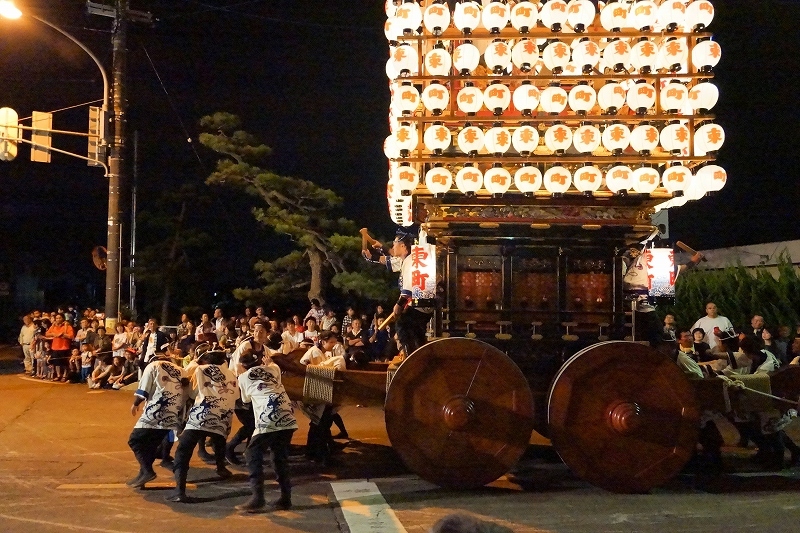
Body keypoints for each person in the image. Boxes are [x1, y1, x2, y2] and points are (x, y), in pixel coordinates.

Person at [166, 350, 237, 503]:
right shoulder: (231, 373)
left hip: (202, 415)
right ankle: (221, 468)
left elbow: (192, 394)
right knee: (219, 440)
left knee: (183, 451)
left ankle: (180, 491)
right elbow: (236, 395)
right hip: (224, 416)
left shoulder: (201, 370)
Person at [235, 350, 298, 512]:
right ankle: (286, 498)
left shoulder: (243, 377)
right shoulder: (273, 369)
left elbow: (246, 399)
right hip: (287, 416)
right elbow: (273, 364)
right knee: (279, 457)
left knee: (252, 453)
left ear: (243, 365)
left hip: (268, 416)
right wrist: (268, 363)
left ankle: (258, 498)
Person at [127, 353, 187, 489]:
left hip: (155, 410)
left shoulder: (154, 366)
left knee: (135, 440)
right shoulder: (181, 370)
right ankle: (142, 474)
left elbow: (144, 388)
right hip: (172, 414)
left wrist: (136, 403)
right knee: (151, 444)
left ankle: (147, 471)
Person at [225, 322, 268, 465]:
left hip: (254, 390)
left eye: (261, 331)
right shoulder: (246, 346)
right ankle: (230, 448)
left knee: (256, 421)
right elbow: (238, 366)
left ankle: (251, 451)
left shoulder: (266, 350)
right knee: (251, 423)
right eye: (256, 331)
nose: (258, 334)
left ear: (267, 334)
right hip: (240, 388)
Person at [391, 230, 433, 360]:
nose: (393, 247)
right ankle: (419, 355)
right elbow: (388, 259)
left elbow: (408, 287)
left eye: (394, 244)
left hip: (420, 302)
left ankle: (411, 358)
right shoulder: (408, 259)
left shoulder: (410, 260)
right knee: (415, 331)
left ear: (403, 245)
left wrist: (399, 304)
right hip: (422, 303)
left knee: (402, 324)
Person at [45, 313, 74, 382]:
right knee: (56, 363)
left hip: (64, 347)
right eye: (57, 318)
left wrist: (63, 334)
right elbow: (47, 333)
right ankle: (58, 375)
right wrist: (54, 334)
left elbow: (71, 335)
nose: (58, 319)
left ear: (63, 318)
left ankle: (64, 375)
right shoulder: (53, 326)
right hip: (55, 347)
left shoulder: (67, 326)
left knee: (64, 363)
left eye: (59, 318)